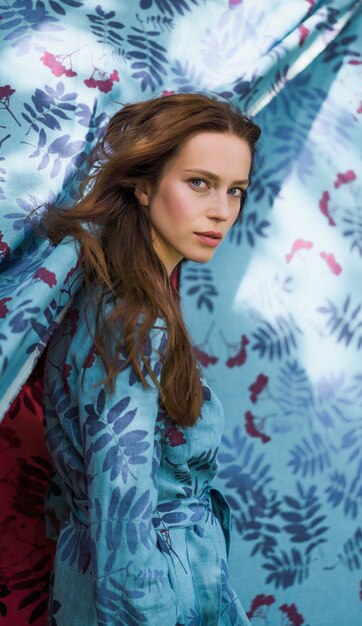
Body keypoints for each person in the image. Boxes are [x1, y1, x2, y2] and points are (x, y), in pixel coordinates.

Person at [41, 92, 261, 626]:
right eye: (199, 183)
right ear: (142, 185)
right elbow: (122, 508)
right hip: (148, 588)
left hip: (117, 574)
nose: (222, 211)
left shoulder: (116, 297)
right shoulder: (134, 320)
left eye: (236, 191)